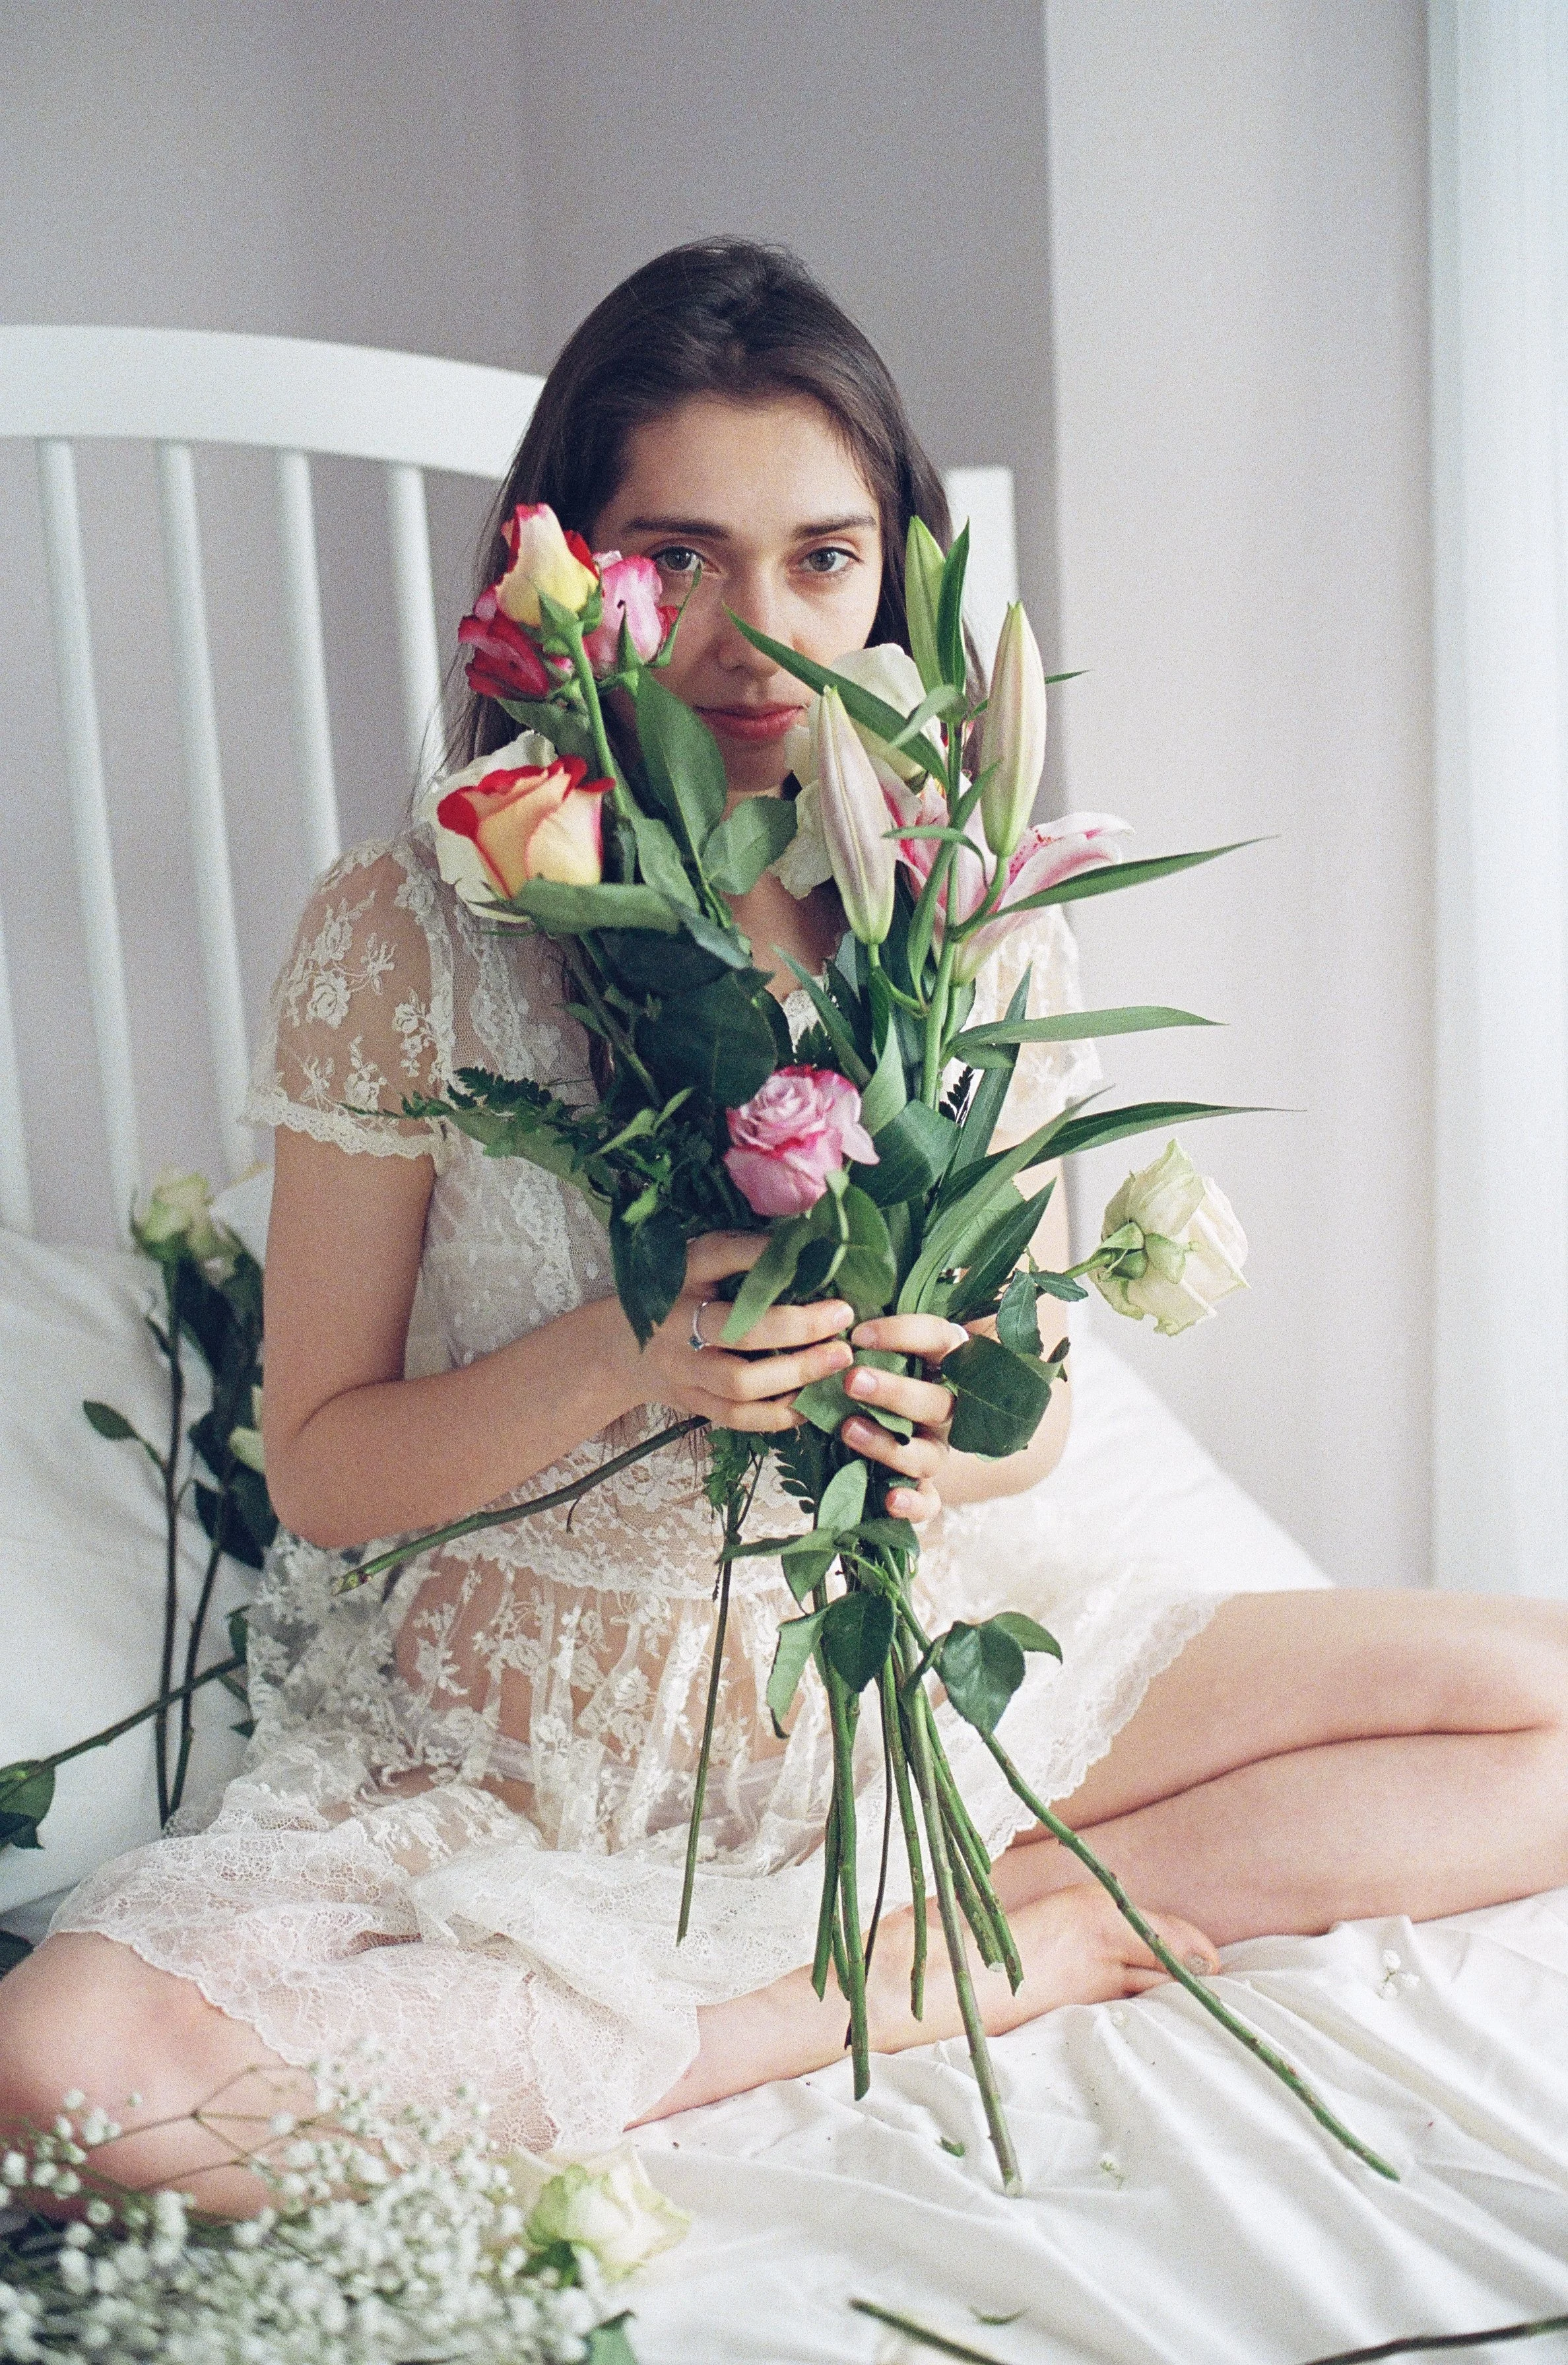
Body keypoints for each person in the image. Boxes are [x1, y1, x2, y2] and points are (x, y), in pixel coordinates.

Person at [2, 240, 1563, 2217]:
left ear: (897, 581)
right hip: (522, 1751)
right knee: (64, 2072)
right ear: (561, 580)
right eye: (679, 560)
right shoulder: (406, 931)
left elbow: (1043, 1410)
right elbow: (317, 1462)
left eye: (823, 558)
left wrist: (949, 1407)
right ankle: (885, 1986)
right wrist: (623, 1356)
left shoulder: (968, 914)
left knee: (1549, 1703)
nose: (758, 635)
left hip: (893, 1695)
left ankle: (1022, 1904)